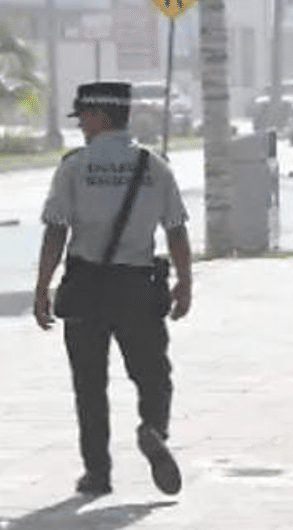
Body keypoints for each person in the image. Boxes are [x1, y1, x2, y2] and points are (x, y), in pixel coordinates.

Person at [32, 81, 193, 496]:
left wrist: (41, 288)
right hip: (138, 285)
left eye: (84, 117)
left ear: (101, 116)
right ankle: (152, 428)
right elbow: (176, 230)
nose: (82, 126)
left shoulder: (75, 166)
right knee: (154, 375)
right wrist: (184, 283)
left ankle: (98, 473)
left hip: (86, 286)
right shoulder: (153, 166)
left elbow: (55, 232)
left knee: (89, 385)